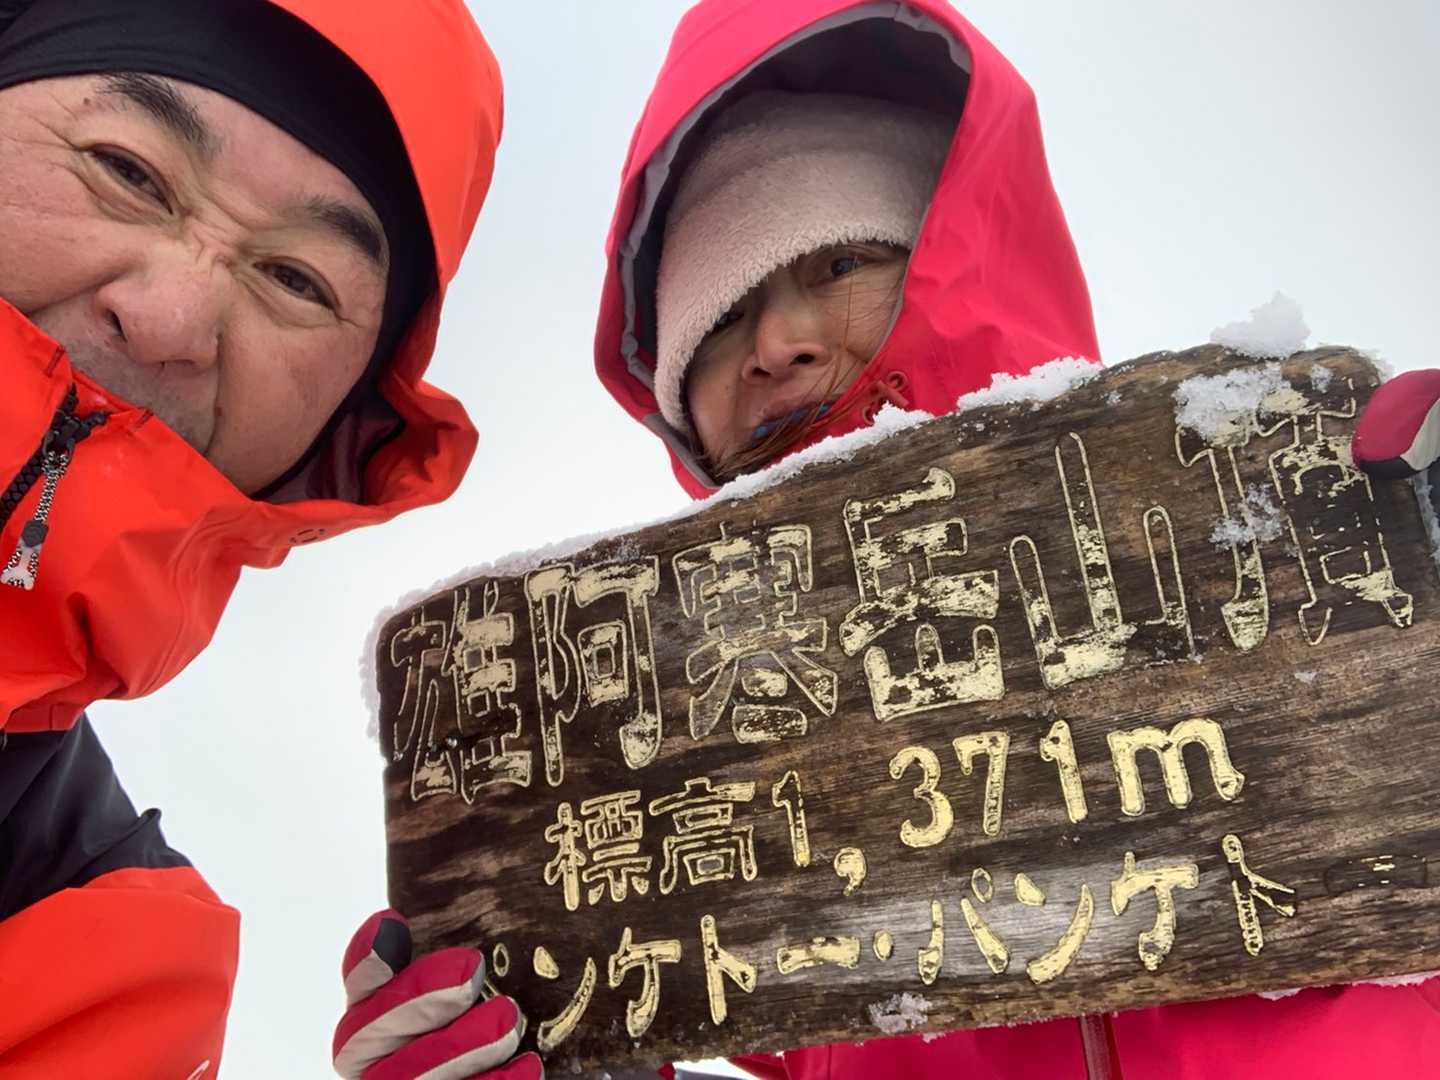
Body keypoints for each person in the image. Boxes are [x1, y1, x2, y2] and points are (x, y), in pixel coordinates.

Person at [340, 0, 1440, 1077]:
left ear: (963, 253)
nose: (775, 342)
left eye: (838, 264)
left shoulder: (1291, 578)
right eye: (718, 322)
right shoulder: (748, 929)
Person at [0, 0, 506, 1074]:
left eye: (296, 281)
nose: (172, 319)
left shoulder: (111, 960)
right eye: (127, 171)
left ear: (339, 437)